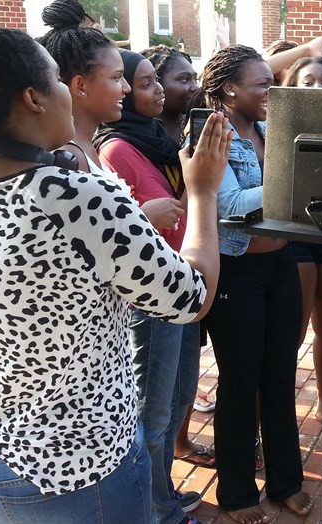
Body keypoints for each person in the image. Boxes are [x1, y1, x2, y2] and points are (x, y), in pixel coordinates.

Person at [0, 27, 230, 523]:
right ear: (33, 98)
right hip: (73, 463)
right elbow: (190, 298)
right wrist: (202, 191)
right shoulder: (71, 195)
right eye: (57, 80)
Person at [194, 45, 312, 524]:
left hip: (281, 265)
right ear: (230, 89)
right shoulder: (212, 134)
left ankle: (287, 482)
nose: (272, 90)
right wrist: (296, 179)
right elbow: (227, 205)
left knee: (280, 376)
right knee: (240, 383)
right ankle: (237, 492)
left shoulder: (270, 130)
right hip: (236, 271)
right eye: (263, 83)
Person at [95, 50, 209, 523]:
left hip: (180, 277)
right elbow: (162, 217)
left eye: (151, 81)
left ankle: (163, 492)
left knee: (182, 395)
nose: (156, 90)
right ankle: (158, 508)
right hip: (151, 291)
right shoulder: (117, 149)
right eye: (144, 83)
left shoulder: (159, 139)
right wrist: (199, 182)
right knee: (153, 413)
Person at [142, 45, 218, 460]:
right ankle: (159, 486)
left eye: (194, 78)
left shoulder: (184, 132)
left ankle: (179, 444)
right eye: (181, 79)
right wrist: (200, 182)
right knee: (158, 398)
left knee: (185, 381)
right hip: (160, 278)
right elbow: (172, 216)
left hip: (189, 265)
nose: (192, 87)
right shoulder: (129, 145)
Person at [282, 56, 322, 423]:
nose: (318, 87)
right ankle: (277, 408)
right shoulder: (279, 125)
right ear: (293, 86)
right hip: (296, 233)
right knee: (295, 330)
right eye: (308, 81)